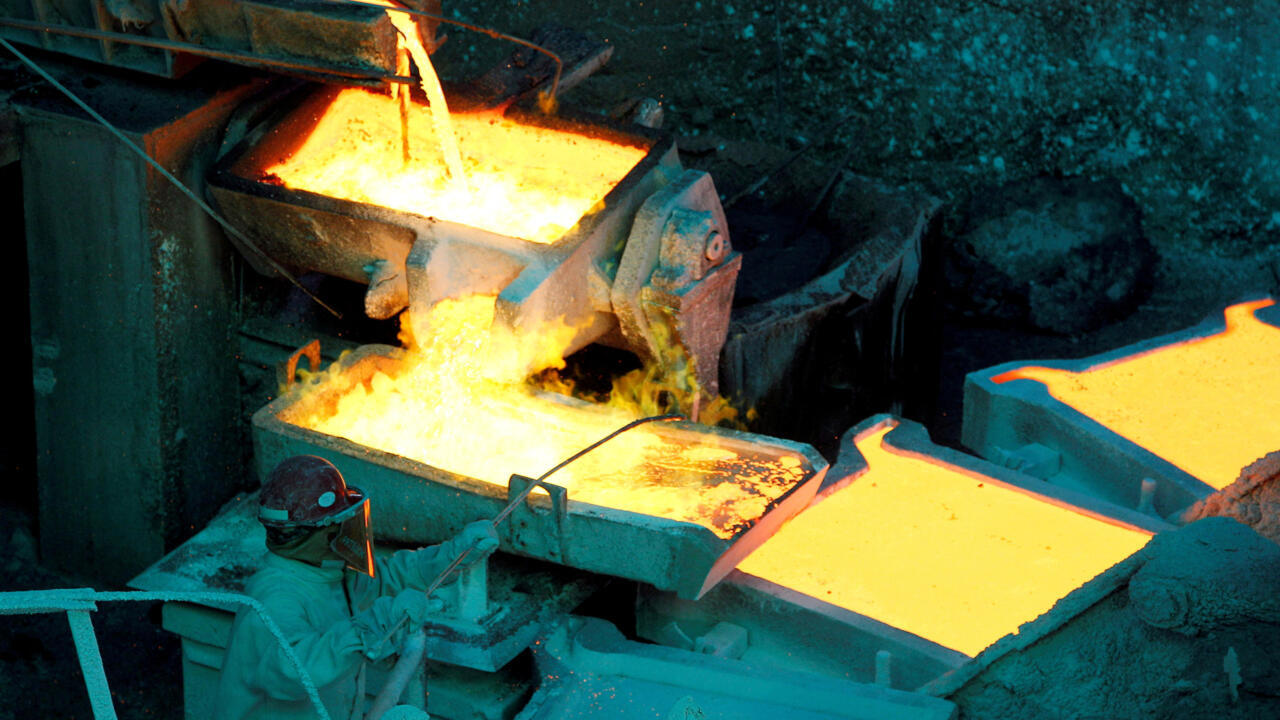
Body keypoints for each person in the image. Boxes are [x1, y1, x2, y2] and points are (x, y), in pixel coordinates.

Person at [215, 455, 498, 720]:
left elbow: (389, 578)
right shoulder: (274, 596)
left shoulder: (326, 567)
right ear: (316, 531)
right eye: (340, 522)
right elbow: (293, 671)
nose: (347, 528)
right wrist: (368, 627)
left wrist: (454, 554)